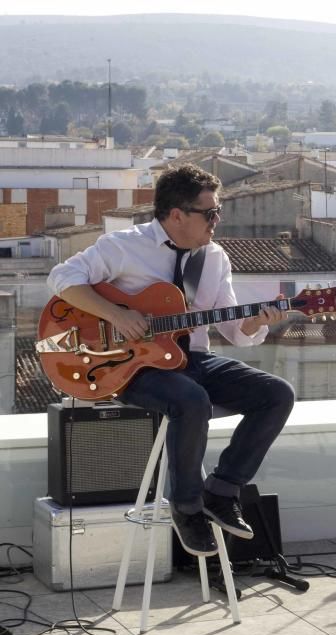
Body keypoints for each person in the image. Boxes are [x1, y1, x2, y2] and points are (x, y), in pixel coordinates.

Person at [48, 164, 295, 558]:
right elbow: (62, 278)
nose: (217, 220)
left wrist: (258, 321)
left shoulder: (214, 258)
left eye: (218, 212)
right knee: (190, 400)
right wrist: (116, 315)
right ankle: (186, 507)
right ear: (177, 214)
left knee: (277, 393)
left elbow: (234, 331)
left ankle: (221, 491)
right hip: (131, 369)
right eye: (210, 212)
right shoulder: (123, 246)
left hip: (191, 359)